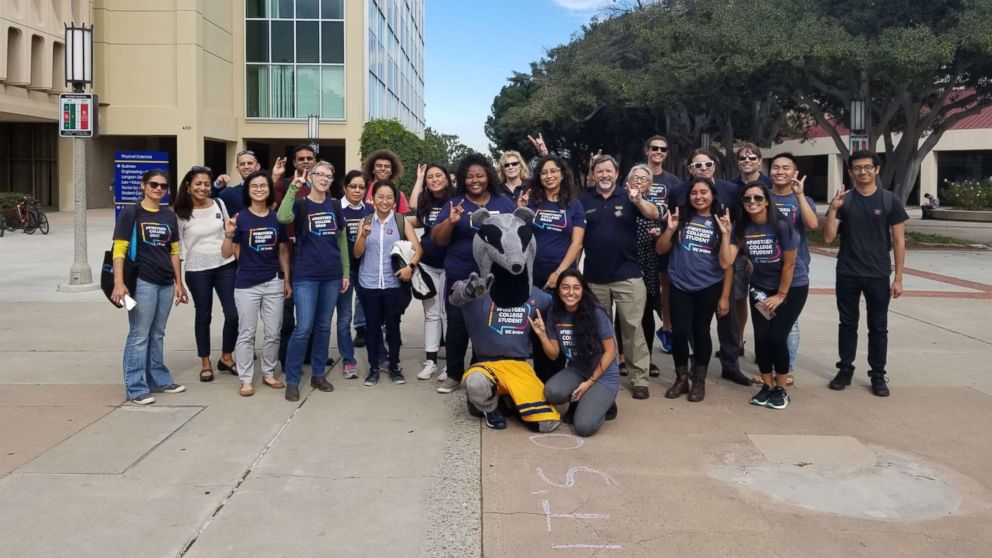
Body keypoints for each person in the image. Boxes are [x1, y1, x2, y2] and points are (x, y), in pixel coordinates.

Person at [450, 208, 560, 433]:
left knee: (546, 424)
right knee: (475, 382)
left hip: (520, 367)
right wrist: (470, 291)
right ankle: (490, 408)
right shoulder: (477, 289)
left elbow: (554, 334)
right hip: (487, 366)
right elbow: (455, 296)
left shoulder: (537, 297)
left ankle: (512, 398)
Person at [823, 150, 908, 397]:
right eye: (857, 168)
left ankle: (878, 375)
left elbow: (899, 241)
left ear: (876, 169)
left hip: (878, 274)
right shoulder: (843, 200)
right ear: (850, 172)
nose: (863, 172)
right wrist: (833, 210)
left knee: (878, 326)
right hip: (848, 272)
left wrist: (899, 278)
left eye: (867, 167)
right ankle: (845, 369)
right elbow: (827, 238)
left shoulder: (889, 200)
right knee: (848, 323)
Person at [431, 153, 516, 394]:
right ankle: (454, 373)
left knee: (487, 326)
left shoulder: (503, 203)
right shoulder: (454, 203)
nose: (474, 180)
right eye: (469, 177)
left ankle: (478, 370)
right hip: (460, 276)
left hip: (494, 278)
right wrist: (451, 221)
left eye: (479, 175)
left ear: (488, 176)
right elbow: (439, 240)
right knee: (457, 326)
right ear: (462, 179)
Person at [579, 155, 659, 400]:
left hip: (628, 275)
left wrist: (639, 200)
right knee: (599, 331)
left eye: (608, 171)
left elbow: (653, 213)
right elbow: (578, 238)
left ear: (617, 174)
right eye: (599, 171)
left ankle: (639, 379)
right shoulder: (584, 200)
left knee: (633, 330)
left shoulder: (629, 196)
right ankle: (602, 373)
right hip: (594, 277)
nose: (604, 176)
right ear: (593, 174)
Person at [670, 149, 751, 386]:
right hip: (687, 264)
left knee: (728, 316)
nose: (703, 168)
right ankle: (695, 369)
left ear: (714, 166)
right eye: (697, 165)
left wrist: (738, 247)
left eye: (707, 164)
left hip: (726, 257)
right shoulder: (678, 192)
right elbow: (672, 222)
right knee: (694, 326)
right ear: (690, 170)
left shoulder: (732, 191)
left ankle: (731, 365)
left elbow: (742, 221)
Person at [726, 181, 809, 409]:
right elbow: (727, 260)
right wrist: (726, 236)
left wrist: (781, 296)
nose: (752, 202)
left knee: (777, 337)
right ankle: (767, 385)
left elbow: (790, 265)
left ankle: (781, 389)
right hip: (761, 287)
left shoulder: (782, 226)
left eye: (758, 198)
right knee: (761, 338)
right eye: (747, 199)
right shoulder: (741, 227)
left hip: (791, 287)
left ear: (767, 201)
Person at [111, 169, 188, 404]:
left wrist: (179, 282)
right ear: (143, 186)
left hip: (166, 282)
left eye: (163, 186)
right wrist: (119, 283)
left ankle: (158, 379)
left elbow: (174, 251)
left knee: (158, 333)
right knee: (139, 334)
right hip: (143, 281)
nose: (158, 189)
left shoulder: (168, 215)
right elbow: (119, 249)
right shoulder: (131, 212)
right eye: (153, 184)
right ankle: (135, 387)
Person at [655, 177, 734, 403]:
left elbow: (727, 264)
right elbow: (661, 250)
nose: (698, 196)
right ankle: (681, 379)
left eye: (704, 192)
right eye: (694, 193)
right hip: (680, 284)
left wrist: (725, 296)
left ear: (712, 195)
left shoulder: (721, 222)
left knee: (701, 332)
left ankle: (699, 380)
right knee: (679, 333)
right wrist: (669, 230)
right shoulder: (681, 219)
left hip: (708, 286)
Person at [276, 161, 350, 401]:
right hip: (306, 275)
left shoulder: (335, 205)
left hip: (331, 274)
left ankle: (318, 374)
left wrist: (345, 272)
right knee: (303, 327)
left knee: (323, 326)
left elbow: (341, 241)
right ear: (311, 177)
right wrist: (292, 189)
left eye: (329, 175)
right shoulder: (300, 204)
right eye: (319, 174)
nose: (324, 178)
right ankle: (293, 380)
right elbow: (282, 216)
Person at [222, 170, 291, 397]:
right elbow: (226, 254)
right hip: (246, 284)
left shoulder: (276, 218)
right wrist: (229, 234)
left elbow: (282, 251)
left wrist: (286, 280)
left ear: (269, 190)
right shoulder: (240, 218)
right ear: (248, 190)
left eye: (263, 186)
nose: (259, 189)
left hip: (273, 282)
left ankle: (269, 373)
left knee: (273, 332)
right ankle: (246, 379)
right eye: (254, 186)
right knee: (247, 333)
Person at [517, 155, 585, 382]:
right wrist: (520, 210)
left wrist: (559, 273)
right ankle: (539, 380)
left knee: (559, 326)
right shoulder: (532, 202)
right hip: (533, 277)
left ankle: (559, 378)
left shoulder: (574, 205)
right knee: (537, 327)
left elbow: (577, 243)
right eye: (544, 172)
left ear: (562, 174)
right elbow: (519, 236)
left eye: (553, 171)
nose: (549, 176)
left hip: (562, 278)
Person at [533, 269, 619, 437]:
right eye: (565, 287)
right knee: (552, 393)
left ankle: (605, 402)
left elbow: (611, 351)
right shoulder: (555, 313)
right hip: (578, 369)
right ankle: (587, 399)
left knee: (583, 427)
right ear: (558, 290)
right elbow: (553, 354)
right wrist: (542, 335)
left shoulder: (596, 312)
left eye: (576, 287)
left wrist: (590, 382)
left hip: (603, 373)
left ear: (583, 290)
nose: (571, 292)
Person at [353, 180, 423, 386]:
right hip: (369, 284)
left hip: (394, 284)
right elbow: (357, 253)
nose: (384, 201)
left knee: (393, 328)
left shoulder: (402, 221)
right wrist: (363, 237)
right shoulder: (365, 221)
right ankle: (374, 368)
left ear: (395, 200)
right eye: (380, 197)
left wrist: (409, 267)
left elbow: (418, 250)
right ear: (372, 199)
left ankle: (394, 367)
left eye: (389, 198)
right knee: (372, 328)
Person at [174, 166, 238, 382]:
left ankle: (227, 356)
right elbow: (178, 249)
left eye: (206, 184)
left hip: (225, 265)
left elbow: (229, 232)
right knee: (204, 315)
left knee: (233, 314)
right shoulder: (181, 212)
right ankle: (205, 362)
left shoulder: (219, 204)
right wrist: (178, 282)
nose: (203, 188)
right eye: (198, 184)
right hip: (197, 270)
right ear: (189, 187)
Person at [768, 153, 818, 378]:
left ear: (795, 173)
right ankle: (771, 365)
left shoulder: (802, 200)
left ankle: (786, 371)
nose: (780, 171)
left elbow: (812, 224)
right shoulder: (763, 198)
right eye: (776, 167)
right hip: (765, 268)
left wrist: (800, 196)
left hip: (795, 269)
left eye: (785, 168)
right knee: (767, 319)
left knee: (790, 322)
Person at [616, 164, 666, 379]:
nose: (638, 181)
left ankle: (648, 358)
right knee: (622, 312)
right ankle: (620, 356)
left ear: (650, 185)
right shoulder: (618, 201)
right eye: (635, 177)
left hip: (647, 263)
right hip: (621, 262)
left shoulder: (655, 204)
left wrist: (658, 231)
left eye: (644, 179)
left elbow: (653, 214)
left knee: (645, 312)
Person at [409, 162, 454, 381]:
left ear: (447, 178)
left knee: (447, 314)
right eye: (430, 177)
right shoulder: (425, 201)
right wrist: (418, 179)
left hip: (450, 264)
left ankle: (451, 364)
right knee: (431, 314)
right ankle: (431, 361)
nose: (434, 179)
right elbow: (413, 208)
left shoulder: (456, 200)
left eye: (438, 175)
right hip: (427, 263)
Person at [644, 135, 680, 354]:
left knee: (665, 285)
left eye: (663, 149)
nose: (658, 152)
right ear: (647, 150)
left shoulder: (672, 181)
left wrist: (666, 230)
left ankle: (666, 328)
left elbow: (675, 210)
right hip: (640, 239)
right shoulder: (637, 175)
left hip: (664, 237)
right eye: (654, 148)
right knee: (645, 289)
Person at [336, 170, 374, 379]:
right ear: (345, 187)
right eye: (353, 186)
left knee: (372, 315)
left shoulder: (370, 210)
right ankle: (349, 361)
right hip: (343, 271)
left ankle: (377, 359)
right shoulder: (335, 208)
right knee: (344, 319)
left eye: (361, 187)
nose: (357, 190)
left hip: (365, 268)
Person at [211, 149, 261, 215]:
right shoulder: (229, 193)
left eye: (250, 163)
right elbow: (210, 206)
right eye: (242, 164)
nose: (246, 166)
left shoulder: (266, 190)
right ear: (237, 169)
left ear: (257, 166)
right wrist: (217, 186)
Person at [361, 149, 412, 214]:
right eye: (379, 166)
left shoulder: (399, 195)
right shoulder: (363, 191)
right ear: (373, 170)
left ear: (391, 171)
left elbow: (402, 221)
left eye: (387, 166)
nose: (382, 169)